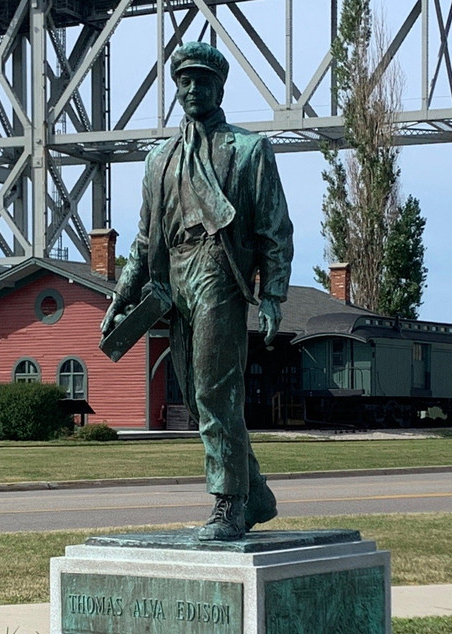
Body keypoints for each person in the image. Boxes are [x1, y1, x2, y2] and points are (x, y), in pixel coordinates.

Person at [102, 40, 294, 541]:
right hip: (174, 277)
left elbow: (275, 229)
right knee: (197, 391)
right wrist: (121, 296)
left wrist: (273, 294)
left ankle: (228, 504)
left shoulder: (249, 150)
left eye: (202, 80)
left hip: (219, 270)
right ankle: (255, 495)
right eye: (184, 80)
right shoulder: (157, 160)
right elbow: (145, 240)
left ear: (219, 86)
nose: (192, 89)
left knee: (214, 390)